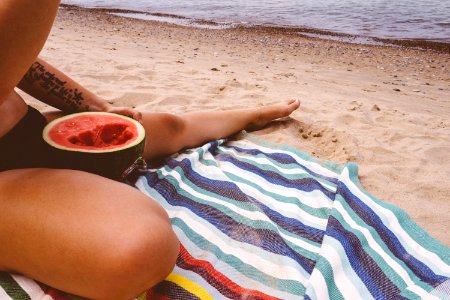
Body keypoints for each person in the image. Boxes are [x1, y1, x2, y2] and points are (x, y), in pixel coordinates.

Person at [0, 1, 300, 299]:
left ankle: (253, 114)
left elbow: (19, 59)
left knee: (171, 126)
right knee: (142, 249)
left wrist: (96, 107)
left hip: (24, 128)